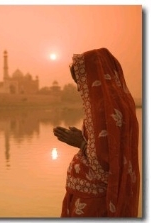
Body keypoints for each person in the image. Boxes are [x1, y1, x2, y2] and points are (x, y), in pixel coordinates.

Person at [53, 48, 140, 217]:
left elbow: (105, 167)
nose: (79, 89)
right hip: (90, 200)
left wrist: (80, 142)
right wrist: (84, 139)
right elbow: (111, 148)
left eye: (81, 82)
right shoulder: (121, 104)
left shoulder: (103, 109)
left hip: (95, 205)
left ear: (95, 78)